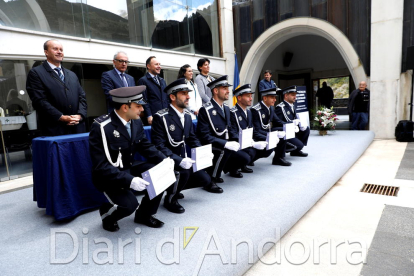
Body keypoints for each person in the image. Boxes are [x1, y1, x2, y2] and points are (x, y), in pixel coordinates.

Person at [89, 86, 175, 232]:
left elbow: (144, 145)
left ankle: (143, 215)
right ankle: (107, 214)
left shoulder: (135, 121)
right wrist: (130, 180)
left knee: (160, 175)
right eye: (138, 106)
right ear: (124, 107)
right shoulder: (102, 127)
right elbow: (101, 165)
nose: (142, 109)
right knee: (130, 205)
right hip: (109, 175)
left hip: (128, 166)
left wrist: (164, 159)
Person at [151, 78, 216, 213]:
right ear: (172, 97)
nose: (188, 96)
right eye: (183, 93)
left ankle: (175, 187)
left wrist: (203, 152)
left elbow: (192, 139)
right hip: (168, 161)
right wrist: (179, 160)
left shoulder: (187, 116)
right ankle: (170, 198)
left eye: (188, 93)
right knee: (184, 172)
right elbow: (159, 145)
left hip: (184, 160)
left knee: (205, 179)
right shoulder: (161, 117)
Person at [197, 75, 250, 184]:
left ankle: (225, 169)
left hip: (224, 145)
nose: (228, 91)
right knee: (223, 150)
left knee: (245, 157)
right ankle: (211, 179)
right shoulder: (205, 110)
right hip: (212, 147)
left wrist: (240, 141)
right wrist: (225, 143)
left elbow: (230, 130)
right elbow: (204, 136)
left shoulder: (226, 108)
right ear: (215, 91)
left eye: (227, 88)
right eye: (224, 89)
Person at [26, 39, 87, 136]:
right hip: (54, 129)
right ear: (46, 52)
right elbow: (39, 101)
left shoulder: (72, 75)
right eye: (55, 49)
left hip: (77, 128)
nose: (59, 52)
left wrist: (80, 115)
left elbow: (82, 97)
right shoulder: (36, 73)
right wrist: (61, 117)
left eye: (61, 50)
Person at [229, 84, 271, 169]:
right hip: (238, 143)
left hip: (248, 141)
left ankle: (246, 162)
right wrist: (252, 144)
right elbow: (233, 134)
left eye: (251, 96)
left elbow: (253, 131)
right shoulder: (232, 112)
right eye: (248, 96)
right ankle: (234, 169)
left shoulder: (248, 112)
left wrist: (268, 138)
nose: (251, 99)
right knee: (251, 152)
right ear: (239, 98)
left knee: (269, 146)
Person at [251, 87, 293, 166]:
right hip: (258, 135)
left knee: (283, 130)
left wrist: (290, 125)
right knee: (267, 150)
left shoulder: (271, 107)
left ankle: (279, 158)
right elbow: (257, 130)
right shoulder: (256, 110)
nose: (275, 100)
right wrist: (273, 135)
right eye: (272, 97)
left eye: (275, 97)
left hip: (267, 131)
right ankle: (250, 159)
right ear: (265, 98)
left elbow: (278, 121)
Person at [275, 86, 310, 157]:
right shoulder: (280, 107)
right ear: (286, 96)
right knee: (299, 145)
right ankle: (285, 148)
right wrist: (292, 123)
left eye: (295, 95)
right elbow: (277, 123)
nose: (295, 97)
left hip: (292, 130)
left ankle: (296, 151)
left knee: (306, 129)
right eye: (293, 95)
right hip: (286, 132)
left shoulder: (292, 105)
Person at [138, 56, 168, 125]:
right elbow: (144, 100)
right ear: (148, 66)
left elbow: (166, 97)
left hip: (165, 115)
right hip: (153, 117)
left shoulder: (162, 80)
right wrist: (149, 115)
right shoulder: (143, 80)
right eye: (156, 64)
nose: (159, 66)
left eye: (159, 64)